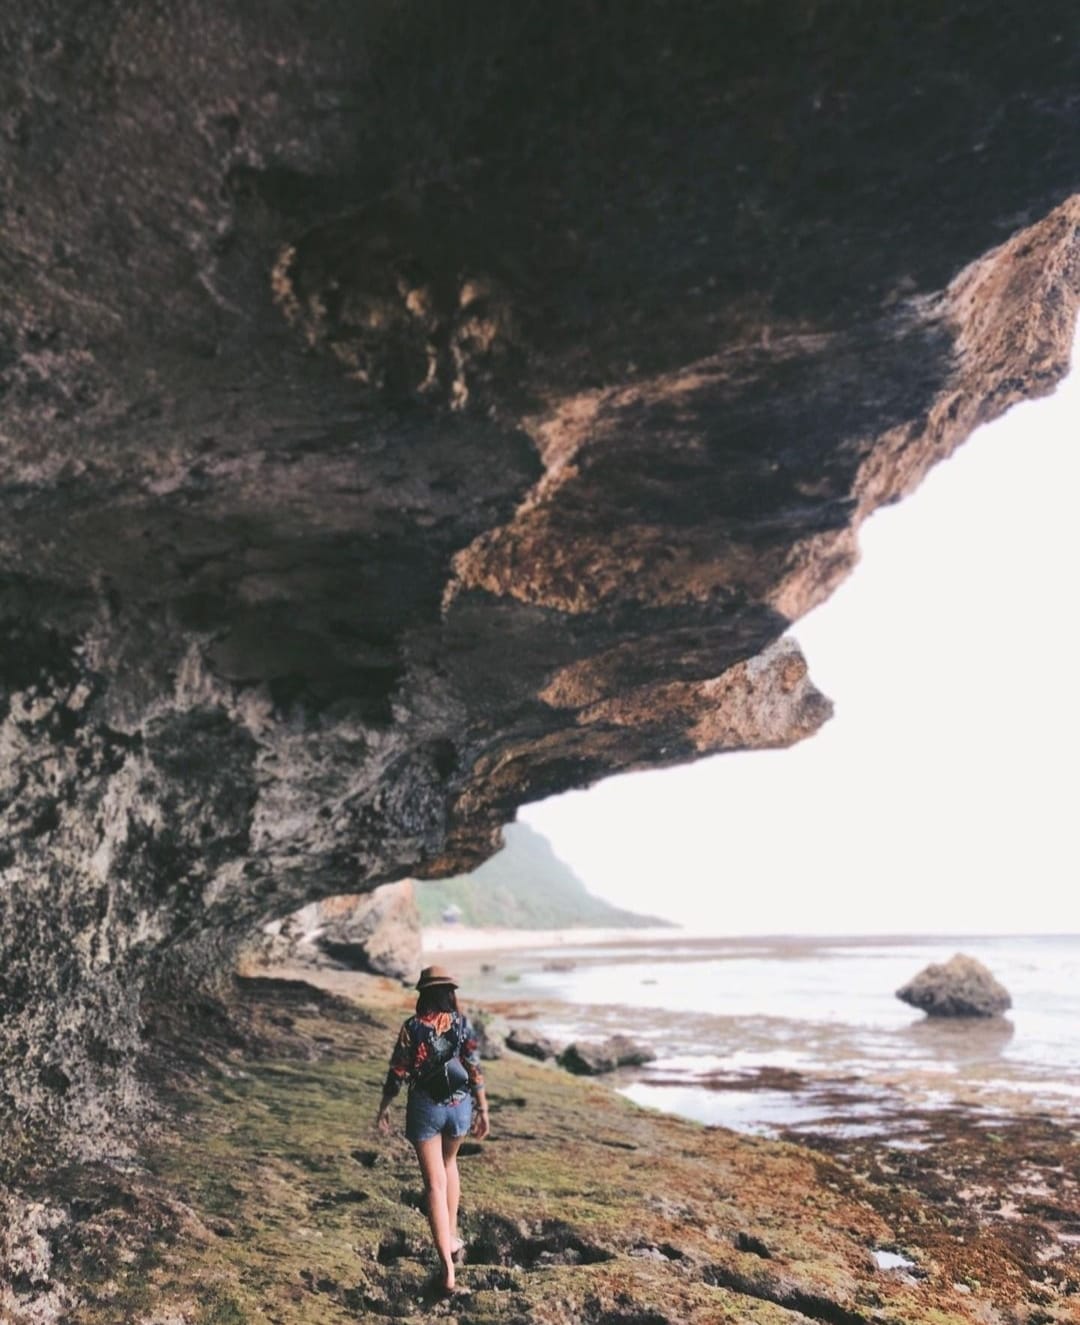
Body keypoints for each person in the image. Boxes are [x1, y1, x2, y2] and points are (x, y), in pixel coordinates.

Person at [375, 964, 490, 1296]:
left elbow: (398, 1071)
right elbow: (474, 1066)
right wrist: (483, 1107)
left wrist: (384, 1107)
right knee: (450, 1164)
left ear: (423, 994)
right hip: (459, 1107)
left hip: (425, 1109)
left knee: (434, 1187)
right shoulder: (461, 1023)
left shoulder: (412, 1027)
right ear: (450, 993)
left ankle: (447, 1270)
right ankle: (451, 1237)